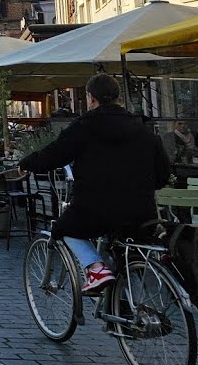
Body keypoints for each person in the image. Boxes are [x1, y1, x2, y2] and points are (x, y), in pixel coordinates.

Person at [18, 74, 170, 294]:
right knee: (129, 255)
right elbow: (163, 174)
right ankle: (133, 308)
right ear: (118, 97)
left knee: (64, 229)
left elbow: (54, 154)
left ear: (91, 98)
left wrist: (27, 164)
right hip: (141, 209)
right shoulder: (143, 129)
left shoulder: (85, 126)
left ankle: (96, 269)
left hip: (95, 207)